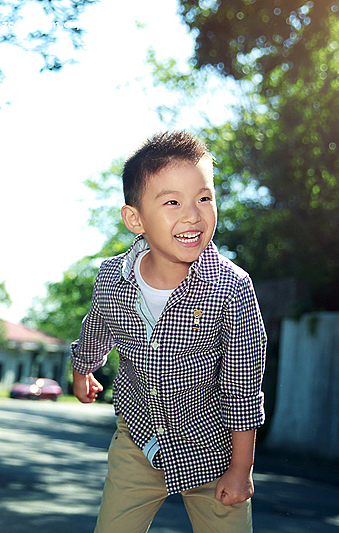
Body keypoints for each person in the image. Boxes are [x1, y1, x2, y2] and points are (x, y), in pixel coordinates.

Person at [71, 131, 266, 533]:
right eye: (172, 202)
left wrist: (241, 469)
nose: (192, 215)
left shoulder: (231, 289)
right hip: (139, 440)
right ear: (135, 219)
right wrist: (82, 370)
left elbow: (243, 386)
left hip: (213, 451)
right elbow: (96, 329)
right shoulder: (112, 279)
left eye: (204, 198)